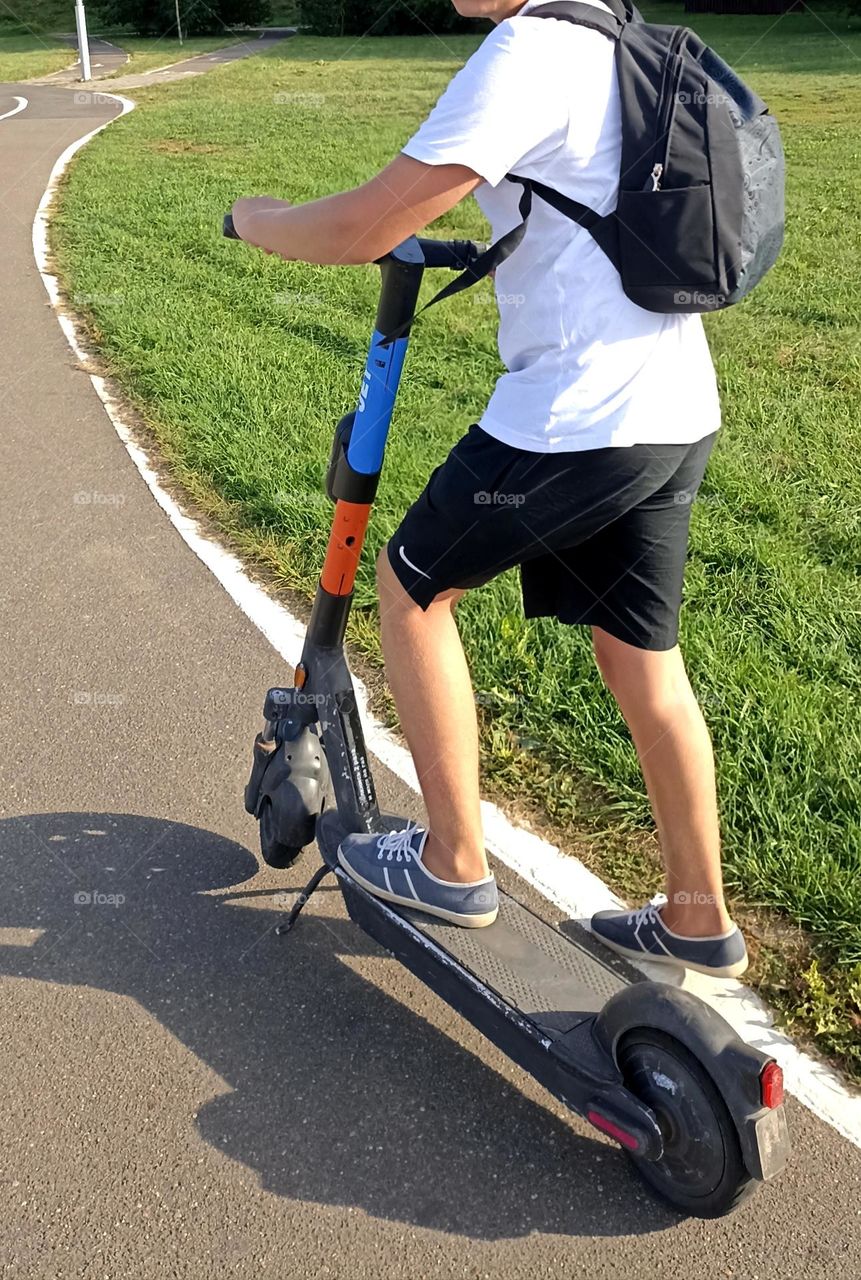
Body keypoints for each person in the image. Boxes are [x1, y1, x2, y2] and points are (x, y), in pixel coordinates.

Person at [231, 0, 749, 978]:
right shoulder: (616, 40)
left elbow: (367, 222)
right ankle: (695, 914)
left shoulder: (530, 48)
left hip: (577, 418)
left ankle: (452, 862)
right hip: (673, 407)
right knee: (640, 655)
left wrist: (256, 220)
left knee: (413, 587)